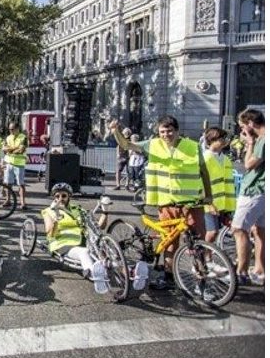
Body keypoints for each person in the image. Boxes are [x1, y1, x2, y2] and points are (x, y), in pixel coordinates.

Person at [109, 116, 214, 290]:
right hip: (167, 203)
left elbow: (204, 172)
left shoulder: (192, 146)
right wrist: (115, 131)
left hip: (192, 203)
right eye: (162, 131)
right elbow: (126, 145)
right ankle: (168, 276)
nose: (166, 135)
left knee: (197, 242)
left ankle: (202, 277)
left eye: (170, 131)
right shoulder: (153, 144)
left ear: (177, 130)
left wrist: (208, 195)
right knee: (169, 241)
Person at [231, 109, 264, 286]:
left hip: (254, 191)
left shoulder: (263, 141)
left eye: (243, 126)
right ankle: (260, 270)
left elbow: (248, 164)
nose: (242, 130)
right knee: (259, 231)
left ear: (251, 123)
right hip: (264, 192)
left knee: (239, 230)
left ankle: (241, 272)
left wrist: (250, 143)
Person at [201, 128, 236, 247]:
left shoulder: (225, 159)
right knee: (212, 232)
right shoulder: (206, 158)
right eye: (221, 139)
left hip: (223, 204)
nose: (224, 141)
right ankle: (203, 260)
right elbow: (201, 183)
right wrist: (208, 203)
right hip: (209, 204)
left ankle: (208, 257)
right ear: (211, 140)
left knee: (215, 233)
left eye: (224, 138)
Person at [2, 122, 28, 209]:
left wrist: (10, 150)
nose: (10, 131)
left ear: (17, 129)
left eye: (12, 129)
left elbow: (21, 150)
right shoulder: (8, 138)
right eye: (9, 129)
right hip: (9, 163)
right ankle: (8, 200)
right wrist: (15, 148)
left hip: (19, 164)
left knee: (21, 184)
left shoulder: (23, 138)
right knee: (7, 183)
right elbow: (4, 149)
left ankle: (23, 203)